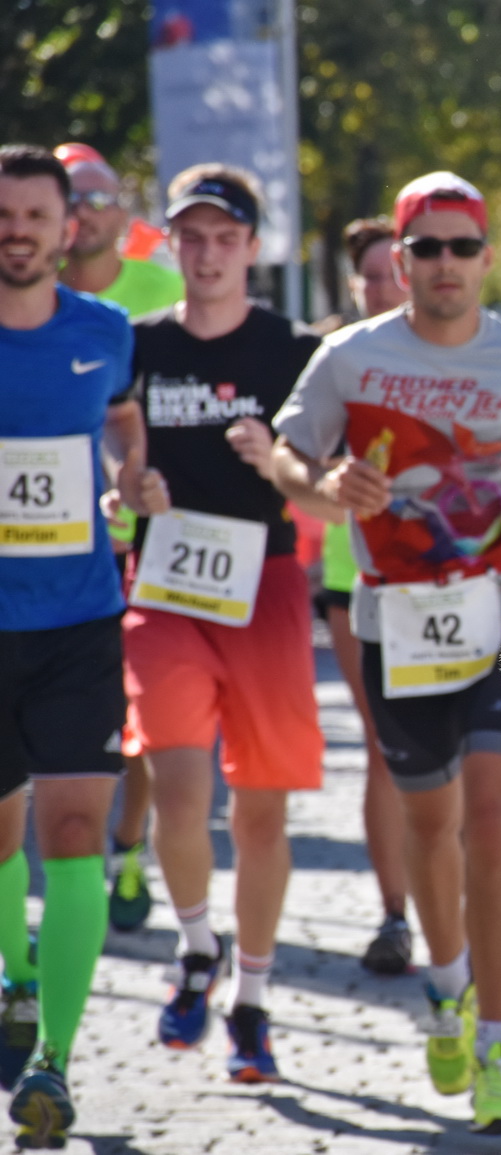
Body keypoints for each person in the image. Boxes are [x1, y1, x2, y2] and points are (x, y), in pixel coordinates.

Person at [271, 171, 501, 1134]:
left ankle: (496, 1040)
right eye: (425, 248)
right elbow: (291, 461)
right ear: (398, 260)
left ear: (487, 258)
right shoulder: (349, 358)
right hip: (392, 626)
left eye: (461, 246)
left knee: (489, 817)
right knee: (429, 823)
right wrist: (329, 487)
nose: (444, 264)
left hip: (495, 618)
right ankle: (446, 983)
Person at [124, 164, 324, 1085]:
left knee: (261, 810)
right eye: (190, 237)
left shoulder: (290, 348)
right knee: (175, 784)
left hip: (265, 587)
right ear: (173, 244)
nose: (206, 254)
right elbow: (111, 456)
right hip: (164, 585)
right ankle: (196, 943)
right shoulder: (137, 345)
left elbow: (323, 472)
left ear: (252, 246)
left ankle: (250, 993)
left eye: (224, 238)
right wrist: (130, 484)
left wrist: (275, 458)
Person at [0, 143, 161, 1148]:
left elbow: (124, 428)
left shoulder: (105, 331)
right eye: (1, 215)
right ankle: (14, 978)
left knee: (70, 837)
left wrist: (128, 478)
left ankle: (52, 1060)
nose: (16, 231)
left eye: (32, 215)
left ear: (70, 228)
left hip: (79, 621)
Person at [53, 144, 185, 935]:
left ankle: (129, 842)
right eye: (73, 197)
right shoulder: (25, 293)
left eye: (100, 195)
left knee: (138, 706)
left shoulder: (157, 293)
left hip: (143, 533)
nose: (88, 211)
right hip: (42, 543)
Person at [318, 215, 415, 976]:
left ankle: (453, 899)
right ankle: (393, 915)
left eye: (395, 270)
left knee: (450, 756)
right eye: (373, 276)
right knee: (387, 746)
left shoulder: (456, 357)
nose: (385, 285)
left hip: (447, 577)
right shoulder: (338, 363)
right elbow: (298, 461)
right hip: (356, 578)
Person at [54, 145, 184, 317]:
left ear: (122, 216)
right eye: (71, 200)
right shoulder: (32, 288)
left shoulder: (173, 290)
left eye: (97, 200)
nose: (81, 213)